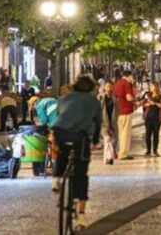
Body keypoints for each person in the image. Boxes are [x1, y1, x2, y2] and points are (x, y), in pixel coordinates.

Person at [51, 75, 102, 229]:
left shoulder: (63, 98)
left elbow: (59, 115)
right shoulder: (94, 102)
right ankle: (81, 215)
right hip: (80, 137)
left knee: (62, 153)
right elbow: (97, 122)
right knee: (81, 173)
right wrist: (94, 141)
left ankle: (56, 179)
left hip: (59, 132)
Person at [113, 71, 136, 160]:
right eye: (131, 77)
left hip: (119, 112)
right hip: (126, 111)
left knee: (121, 134)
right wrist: (135, 100)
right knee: (125, 134)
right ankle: (123, 153)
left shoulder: (117, 83)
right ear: (128, 76)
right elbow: (129, 97)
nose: (132, 79)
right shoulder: (126, 84)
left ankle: (121, 152)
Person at [142, 82, 161, 156]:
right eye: (150, 86)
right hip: (148, 117)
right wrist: (149, 104)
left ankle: (155, 150)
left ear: (156, 87)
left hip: (157, 117)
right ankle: (148, 150)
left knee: (156, 133)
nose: (150, 87)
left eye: (151, 86)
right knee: (148, 134)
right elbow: (144, 104)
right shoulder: (147, 95)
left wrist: (155, 103)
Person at [99, 82, 119, 163]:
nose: (109, 88)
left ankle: (107, 157)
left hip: (113, 122)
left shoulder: (115, 98)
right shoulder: (101, 97)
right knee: (107, 140)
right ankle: (109, 157)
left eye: (110, 86)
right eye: (107, 86)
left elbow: (118, 110)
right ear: (104, 88)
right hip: (104, 122)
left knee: (114, 140)